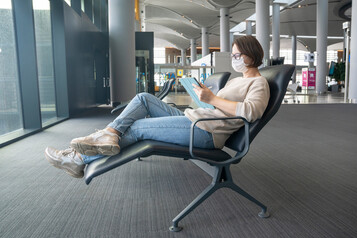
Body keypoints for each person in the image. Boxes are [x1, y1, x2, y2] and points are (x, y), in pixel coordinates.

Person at [45, 36, 270, 178]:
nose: (235, 58)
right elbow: (221, 107)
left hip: (205, 131)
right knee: (144, 98)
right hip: (198, 118)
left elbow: (251, 112)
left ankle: (78, 159)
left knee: (138, 127)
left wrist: (212, 99)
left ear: (252, 55)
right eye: (233, 55)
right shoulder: (235, 81)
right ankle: (108, 134)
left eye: (238, 54)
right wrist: (203, 96)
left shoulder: (259, 82)